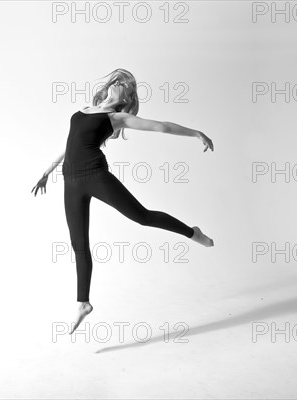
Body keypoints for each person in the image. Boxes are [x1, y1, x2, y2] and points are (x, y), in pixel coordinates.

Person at [32, 68, 214, 334]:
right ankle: (83, 303)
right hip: (70, 181)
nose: (118, 84)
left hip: (95, 175)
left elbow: (162, 127)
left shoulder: (117, 118)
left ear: (126, 96)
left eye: (124, 84)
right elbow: (71, 143)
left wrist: (196, 132)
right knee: (78, 244)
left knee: (142, 216)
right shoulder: (85, 109)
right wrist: (47, 171)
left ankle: (192, 233)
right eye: (117, 80)